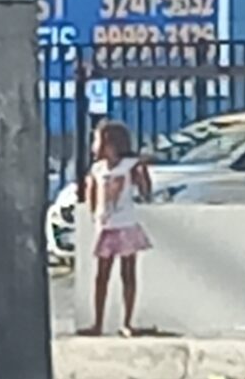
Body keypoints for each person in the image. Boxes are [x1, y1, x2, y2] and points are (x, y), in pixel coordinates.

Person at [78, 121, 153, 337]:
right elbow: (91, 195)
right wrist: (95, 216)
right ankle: (98, 323)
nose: (94, 146)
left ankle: (127, 322)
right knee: (102, 276)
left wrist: (143, 174)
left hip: (126, 224)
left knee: (127, 274)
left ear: (110, 144)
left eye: (97, 140)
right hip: (106, 227)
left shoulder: (130, 166)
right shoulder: (97, 169)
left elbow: (145, 192)